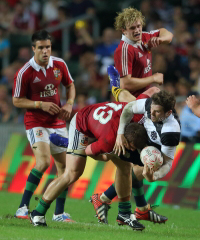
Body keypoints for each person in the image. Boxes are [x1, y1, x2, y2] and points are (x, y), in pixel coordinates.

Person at [29, 98, 154, 230]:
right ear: (123, 138)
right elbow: (89, 151)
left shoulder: (140, 119)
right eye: (131, 147)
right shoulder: (109, 140)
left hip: (102, 122)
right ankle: (37, 212)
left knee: (125, 166)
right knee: (72, 173)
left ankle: (124, 214)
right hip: (81, 125)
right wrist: (106, 155)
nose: (133, 150)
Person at [90, 87, 180, 224]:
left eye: (157, 112)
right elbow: (128, 109)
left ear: (168, 113)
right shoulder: (150, 104)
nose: (151, 113)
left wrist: (154, 177)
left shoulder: (170, 132)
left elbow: (167, 163)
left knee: (136, 171)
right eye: (152, 110)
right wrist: (120, 133)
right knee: (122, 163)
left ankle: (113, 202)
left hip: (154, 147)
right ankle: (119, 205)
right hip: (138, 135)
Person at [12, 30, 76, 222]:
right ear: (34, 49)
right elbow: (17, 101)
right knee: (43, 163)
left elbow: (70, 85)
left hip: (57, 122)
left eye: (47, 47)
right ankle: (22, 207)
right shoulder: (25, 72)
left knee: (65, 169)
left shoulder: (59, 64)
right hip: (36, 122)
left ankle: (59, 213)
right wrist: (40, 104)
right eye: (40, 48)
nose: (45, 51)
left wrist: (69, 103)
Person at [110, 7, 173, 102]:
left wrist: (160, 39)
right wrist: (153, 78)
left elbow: (167, 33)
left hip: (144, 97)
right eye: (132, 28)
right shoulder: (124, 50)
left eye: (138, 26)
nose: (137, 30)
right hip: (131, 102)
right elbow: (126, 84)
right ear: (124, 30)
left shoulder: (143, 36)